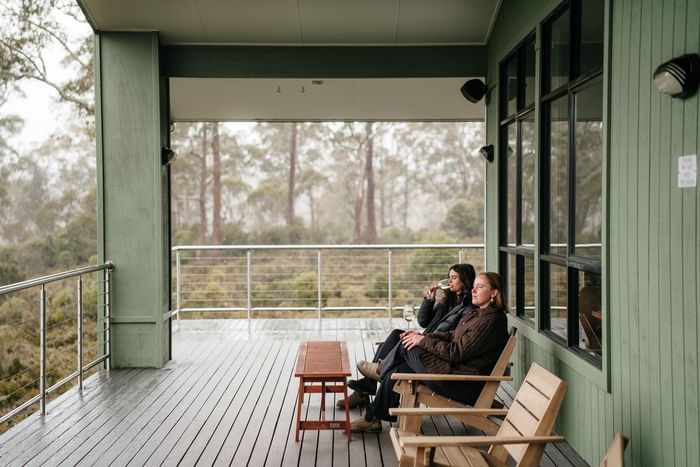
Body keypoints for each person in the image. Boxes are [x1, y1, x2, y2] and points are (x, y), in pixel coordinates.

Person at [349, 272, 509, 433]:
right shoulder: (479, 314)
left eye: (479, 287)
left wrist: (422, 341)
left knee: (407, 346)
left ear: (494, 292)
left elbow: (456, 352)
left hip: (460, 381)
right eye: (473, 286)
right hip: (453, 370)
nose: (473, 291)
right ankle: (373, 417)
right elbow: (452, 335)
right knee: (400, 367)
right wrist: (422, 336)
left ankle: (380, 370)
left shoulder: (492, 321)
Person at [337, 263, 476, 409]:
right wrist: (428, 301)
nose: (449, 282)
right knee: (396, 334)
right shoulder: (448, 301)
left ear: (465, 280)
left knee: (397, 356)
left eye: (454, 278)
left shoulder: (468, 309)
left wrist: (423, 339)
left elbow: (453, 337)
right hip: (428, 341)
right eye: (449, 277)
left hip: (434, 350)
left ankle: (373, 380)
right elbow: (423, 322)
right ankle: (370, 383)